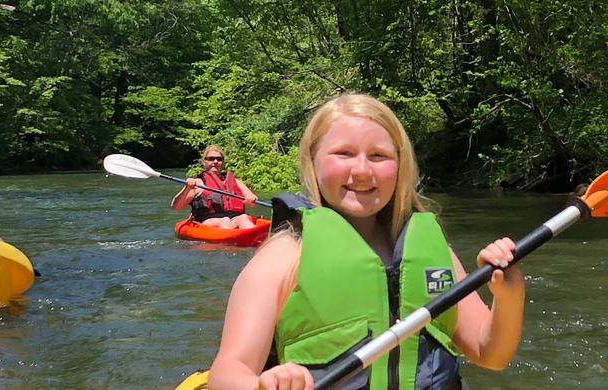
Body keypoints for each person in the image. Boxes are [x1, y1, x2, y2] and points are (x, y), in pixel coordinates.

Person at [207, 94, 526, 390]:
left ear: (400, 165)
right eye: (343, 153)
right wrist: (264, 385)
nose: (361, 170)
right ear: (313, 160)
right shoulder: (284, 255)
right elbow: (228, 370)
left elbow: (492, 354)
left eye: (378, 156)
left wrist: (508, 294)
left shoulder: (432, 249)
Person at [173, 145, 261, 229]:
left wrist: (251, 199)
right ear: (204, 161)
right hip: (207, 221)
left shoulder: (234, 181)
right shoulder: (197, 183)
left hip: (234, 219)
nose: (215, 161)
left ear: (222, 162)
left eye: (219, 159)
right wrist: (187, 188)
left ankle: (257, 242)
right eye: (211, 159)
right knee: (224, 220)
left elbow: (253, 201)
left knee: (244, 218)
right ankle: (229, 241)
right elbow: (176, 207)